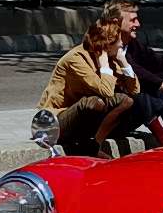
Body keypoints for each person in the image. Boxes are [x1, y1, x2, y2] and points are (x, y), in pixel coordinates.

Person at [36, 19, 140, 155]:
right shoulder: (76, 58)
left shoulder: (110, 58)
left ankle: (94, 144)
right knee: (93, 102)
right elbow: (106, 91)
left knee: (126, 100)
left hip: (81, 120)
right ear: (107, 44)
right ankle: (86, 146)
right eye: (118, 41)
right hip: (53, 122)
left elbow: (135, 90)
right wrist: (104, 64)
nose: (121, 44)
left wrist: (123, 61)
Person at [101, 0, 163, 142]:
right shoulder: (103, 44)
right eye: (133, 20)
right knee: (135, 89)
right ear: (116, 22)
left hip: (132, 114)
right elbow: (135, 70)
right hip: (108, 119)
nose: (138, 24)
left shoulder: (132, 44)